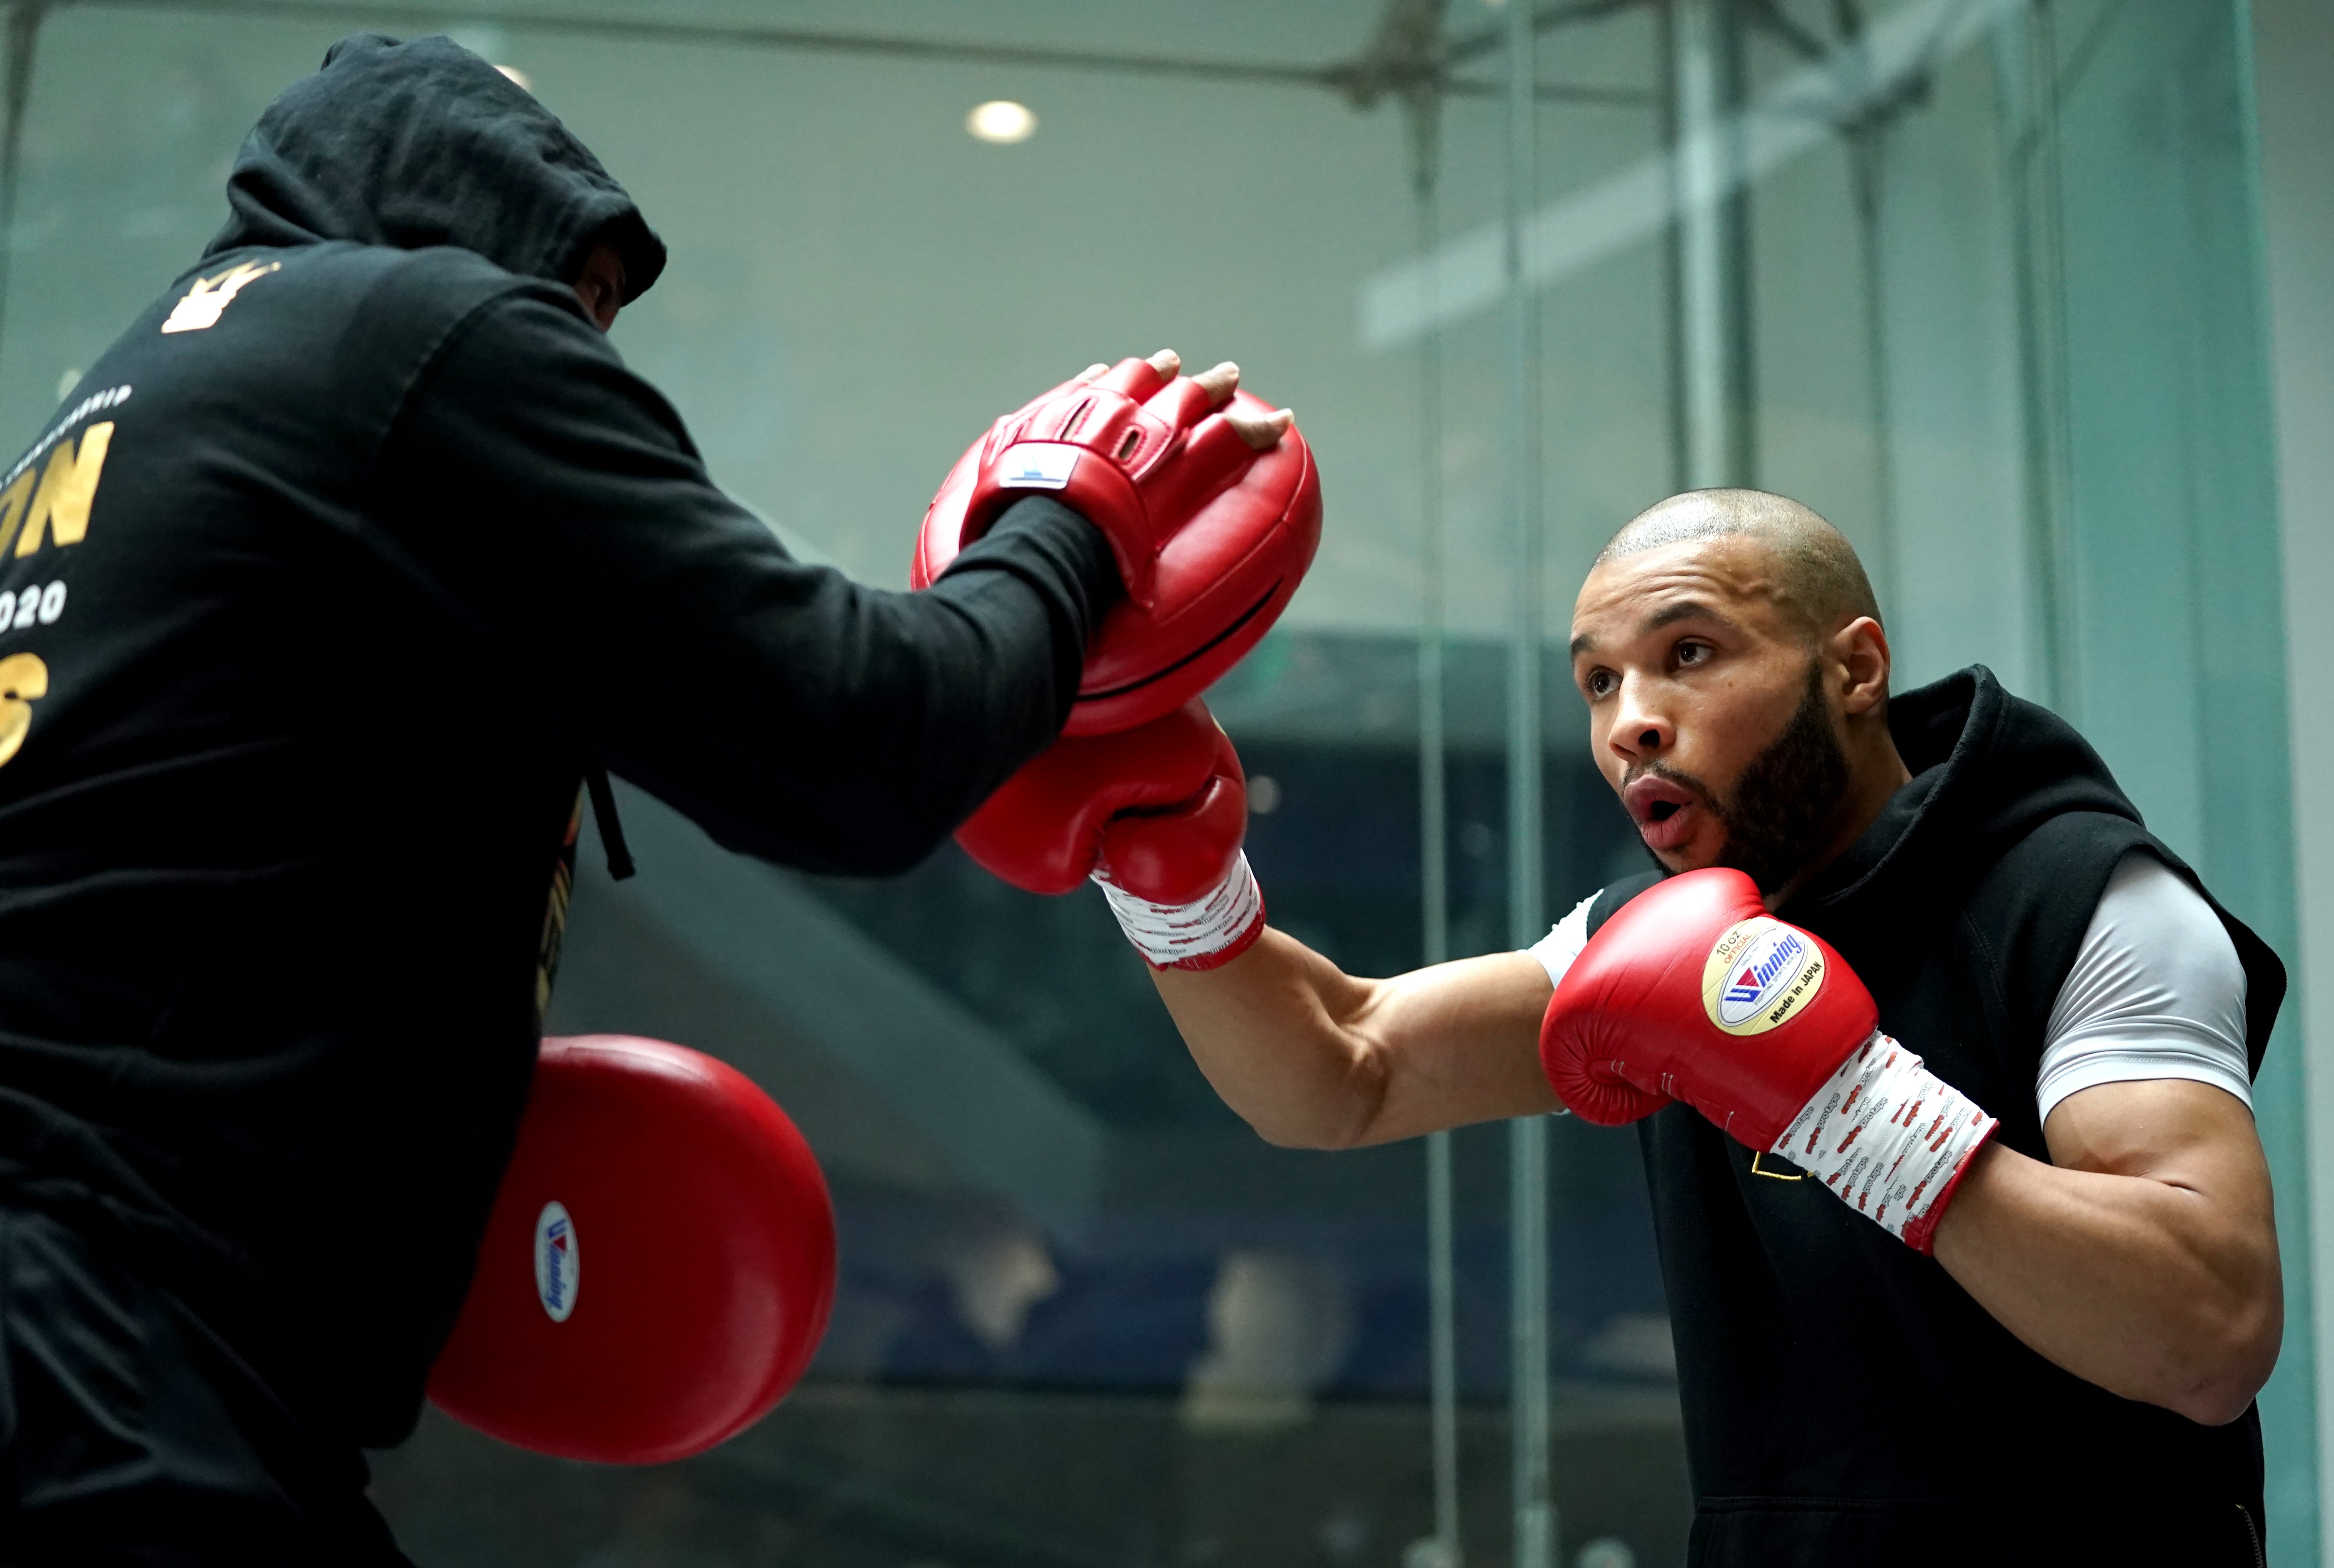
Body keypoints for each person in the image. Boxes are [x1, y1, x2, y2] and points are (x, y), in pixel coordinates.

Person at [0, 32, 1289, 1563]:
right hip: (104, 1346)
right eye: (586, 297)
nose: (592, 354)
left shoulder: (126, 404)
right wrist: (1076, 527)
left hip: (127, 1344)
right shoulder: (419, 337)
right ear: (496, 215)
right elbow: (856, 748)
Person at [1018, 487, 2283, 1565]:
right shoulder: (1646, 940)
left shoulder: (2084, 901)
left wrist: (1846, 1107)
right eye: (1597, 680)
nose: (1628, 719)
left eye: (1687, 653)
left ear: (1852, 667)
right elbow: (1339, 1071)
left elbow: (2207, 1337)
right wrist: (1170, 878)